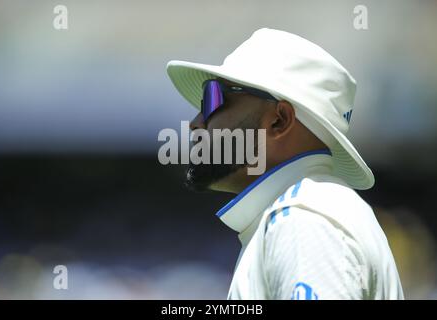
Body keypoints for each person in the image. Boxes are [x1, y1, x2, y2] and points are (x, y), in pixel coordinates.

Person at [166, 28, 404, 299]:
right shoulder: (308, 211)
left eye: (214, 98)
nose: (197, 122)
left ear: (279, 120)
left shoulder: (302, 219)